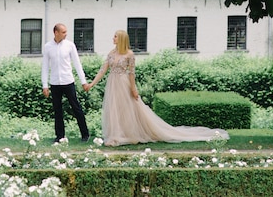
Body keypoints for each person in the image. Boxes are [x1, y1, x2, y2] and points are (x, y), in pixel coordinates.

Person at [85, 29, 229, 146]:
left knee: (129, 108)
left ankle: (131, 134)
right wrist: (92, 84)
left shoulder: (130, 54)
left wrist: (134, 89)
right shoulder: (111, 53)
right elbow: (103, 70)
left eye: (115, 36)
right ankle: (115, 135)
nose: (113, 38)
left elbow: (131, 74)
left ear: (121, 39)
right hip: (112, 84)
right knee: (114, 109)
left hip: (123, 83)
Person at [41, 23, 90, 142]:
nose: (66, 34)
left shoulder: (70, 45)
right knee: (57, 110)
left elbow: (77, 64)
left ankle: (85, 134)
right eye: (63, 32)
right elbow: (45, 66)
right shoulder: (48, 47)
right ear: (56, 33)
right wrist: (45, 85)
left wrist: (83, 81)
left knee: (76, 108)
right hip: (55, 83)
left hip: (68, 81)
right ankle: (60, 136)